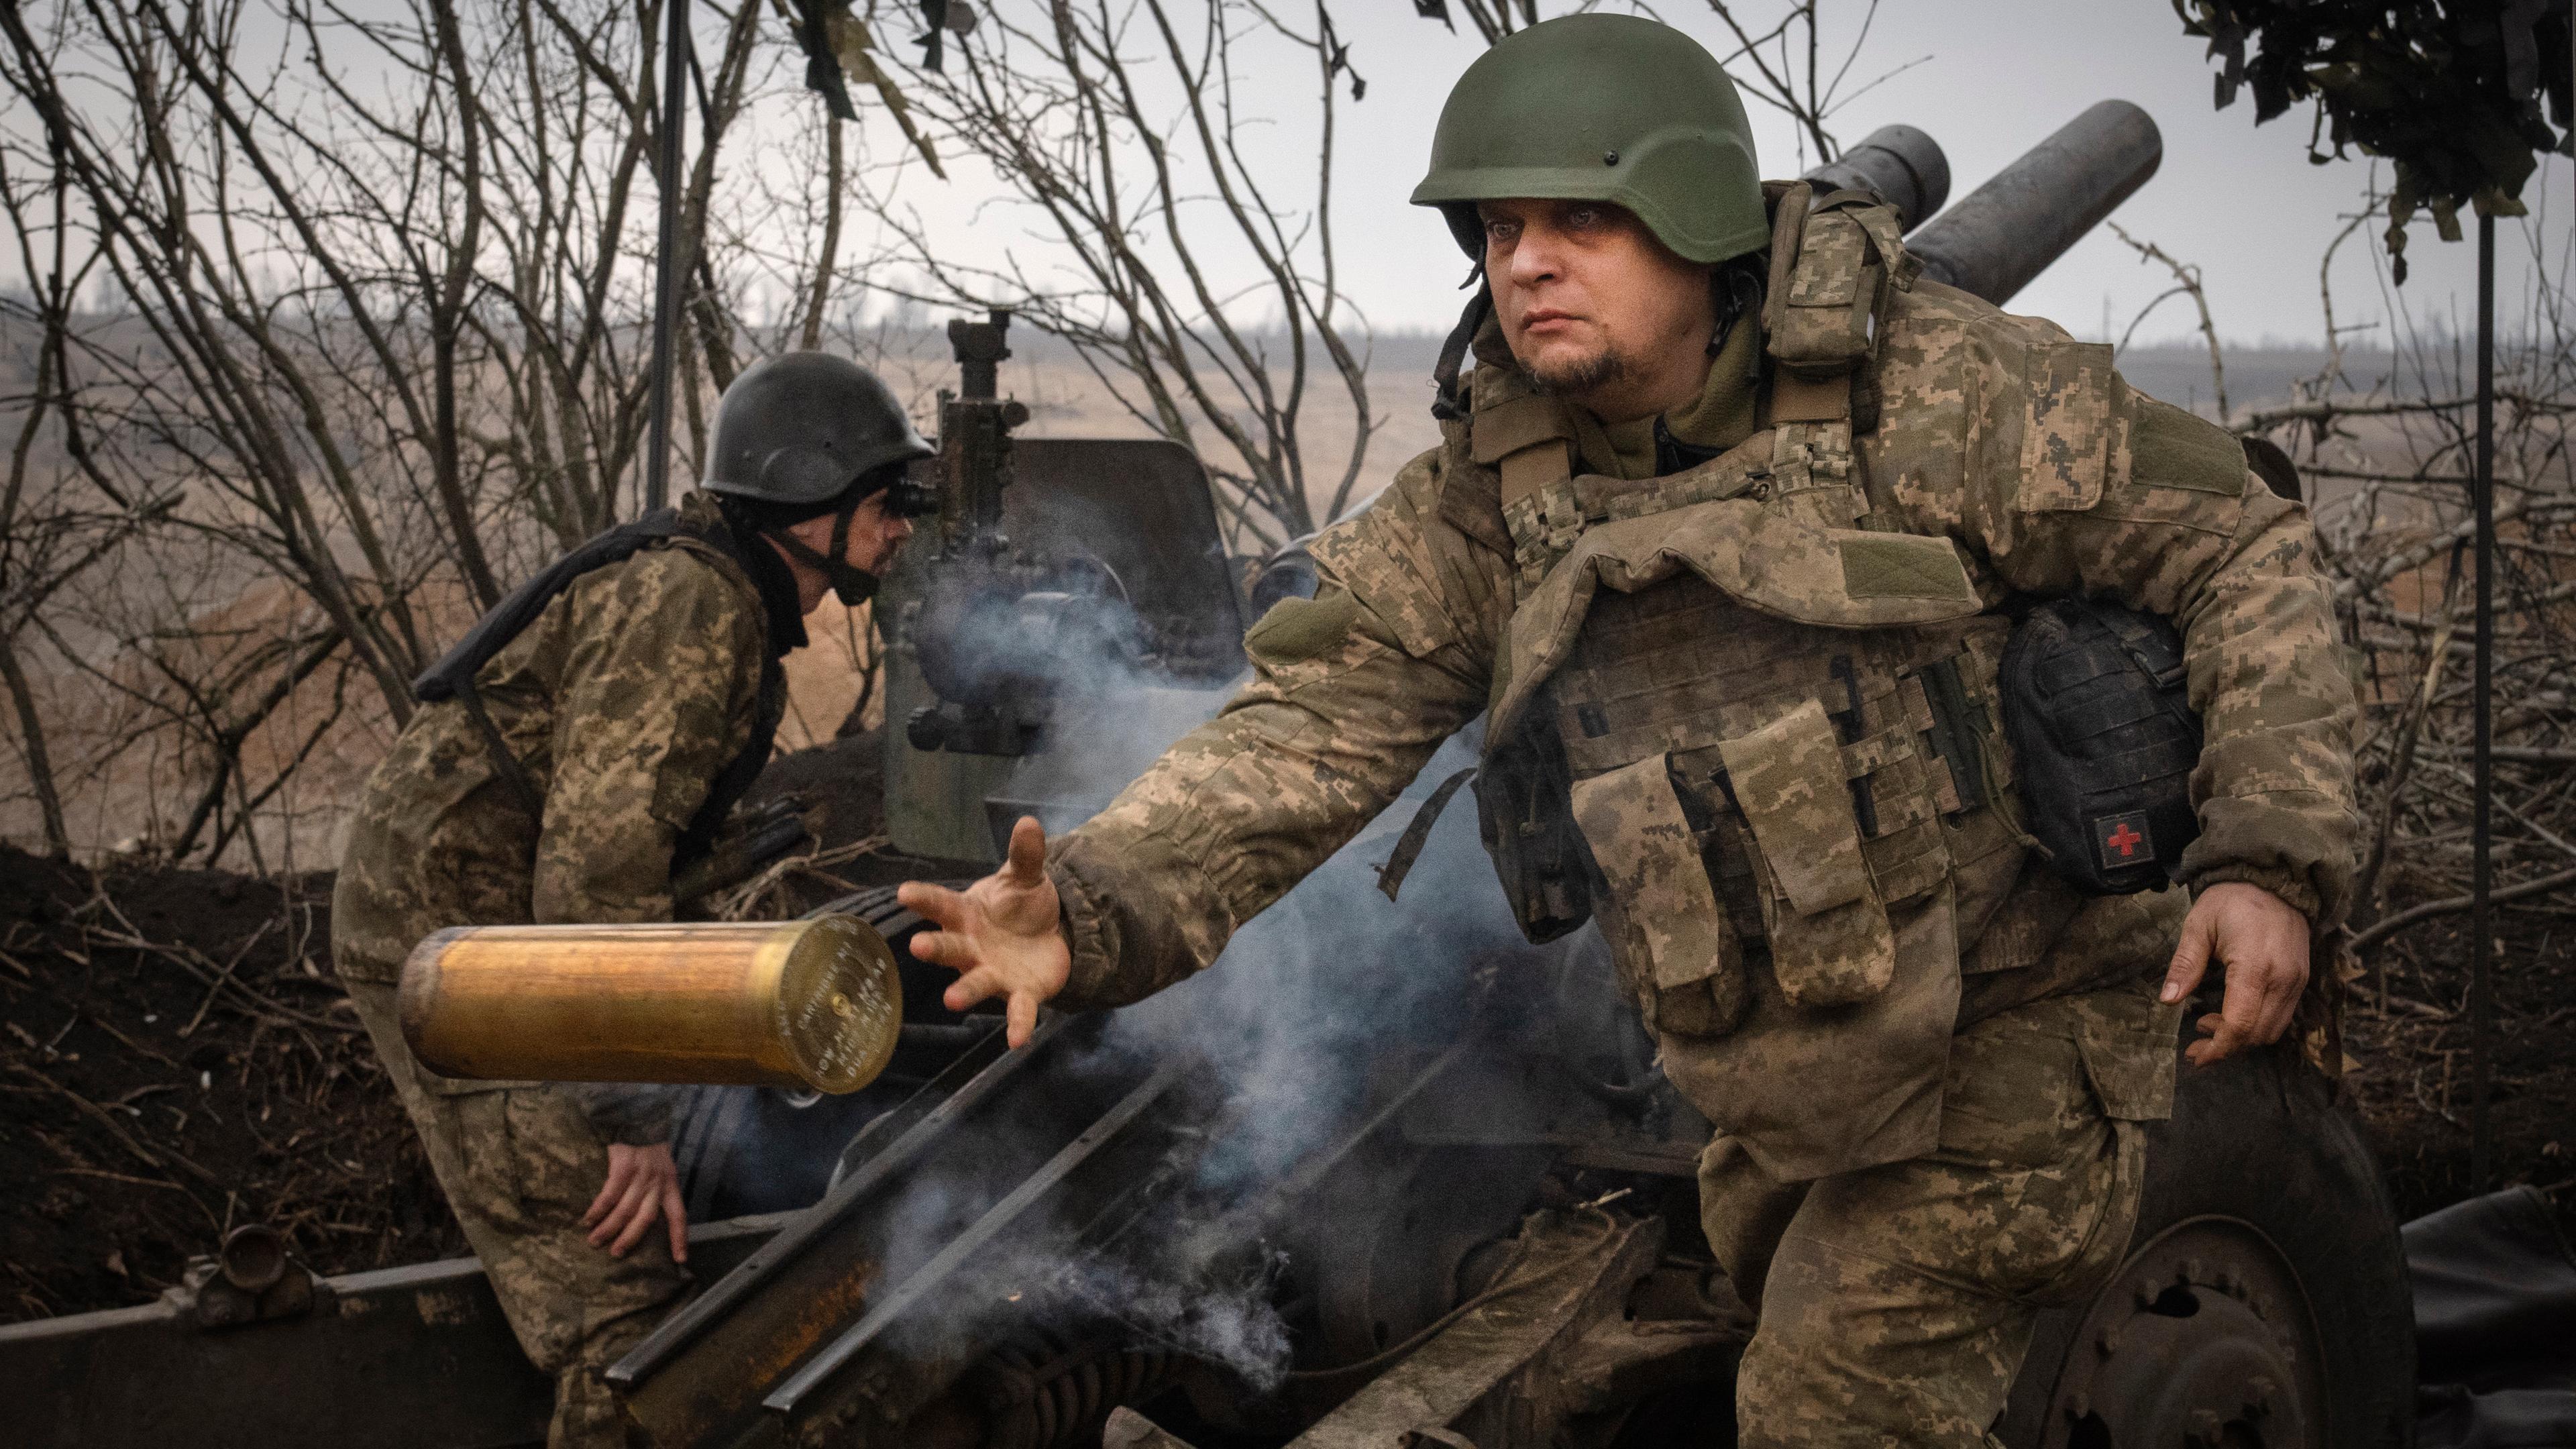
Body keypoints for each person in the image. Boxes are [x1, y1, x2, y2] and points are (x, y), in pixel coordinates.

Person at [896, 15, 2359, 1448]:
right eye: (1499, 228)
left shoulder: (1938, 394)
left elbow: (2238, 545)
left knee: (1824, 1406)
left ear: (1699, 218)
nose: (1525, 262)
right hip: (1789, 1079)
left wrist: (2268, 862)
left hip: (2021, 1029)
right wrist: (1089, 905)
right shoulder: (1494, 493)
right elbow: (1305, 731)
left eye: (1583, 219)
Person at [332, 352, 931, 1449]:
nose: (899, 535)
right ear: (807, 497)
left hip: (503, 931)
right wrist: (633, 1121)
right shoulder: (692, 600)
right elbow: (593, 877)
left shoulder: (720, 591)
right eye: (885, 508)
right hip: (460, 960)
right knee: (623, 1319)